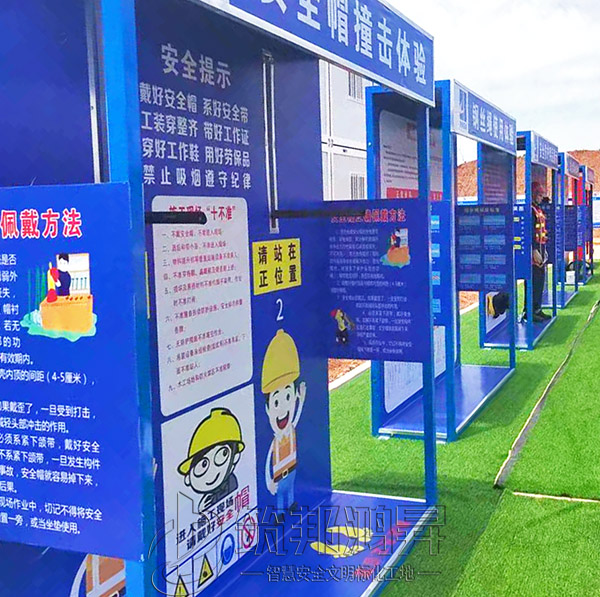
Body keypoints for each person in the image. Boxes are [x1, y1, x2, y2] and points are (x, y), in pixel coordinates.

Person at [524, 182, 551, 322]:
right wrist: (533, 250)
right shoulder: (529, 210)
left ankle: (537, 309)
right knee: (533, 281)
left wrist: (543, 250)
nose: (541, 198)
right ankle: (528, 311)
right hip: (533, 253)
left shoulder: (537, 209)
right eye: (539, 195)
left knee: (539, 281)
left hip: (541, 250)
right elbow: (529, 232)